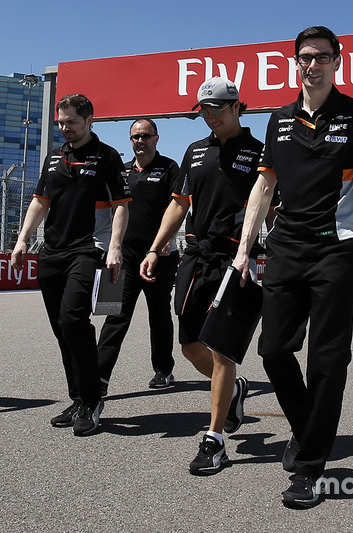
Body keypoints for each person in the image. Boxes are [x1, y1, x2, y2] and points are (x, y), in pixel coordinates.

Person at [232, 26, 353, 509]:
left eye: (321, 57)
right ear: (294, 63)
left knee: (327, 359)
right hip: (285, 249)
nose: (312, 65)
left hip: (336, 251)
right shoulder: (278, 120)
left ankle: (311, 467)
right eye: (304, 57)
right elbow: (262, 188)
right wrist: (244, 247)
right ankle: (307, 428)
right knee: (274, 351)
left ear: (337, 61)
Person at [140, 76, 264, 475]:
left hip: (235, 257)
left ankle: (214, 441)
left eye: (216, 108)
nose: (209, 116)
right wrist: (156, 247)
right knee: (191, 346)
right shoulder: (195, 152)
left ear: (236, 106)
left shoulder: (259, 152)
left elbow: (273, 205)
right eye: (203, 110)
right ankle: (234, 391)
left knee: (221, 349)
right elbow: (178, 206)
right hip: (194, 258)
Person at [11, 94, 130, 437]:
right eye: (61, 123)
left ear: (90, 120)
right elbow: (39, 201)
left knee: (72, 319)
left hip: (87, 249)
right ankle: (77, 398)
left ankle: (92, 400)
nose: (65, 128)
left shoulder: (107, 157)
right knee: (61, 329)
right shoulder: (53, 157)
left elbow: (121, 205)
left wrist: (115, 248)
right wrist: (22, 239)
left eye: (72, 123)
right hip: (52, 251)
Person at [96, 119, 180, 395]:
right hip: (123, 257)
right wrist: (111, 248)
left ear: (156, 138)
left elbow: (178, 208)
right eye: (135, 137)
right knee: (114, 315)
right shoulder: (121, 172)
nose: (140, 141)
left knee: (159, 313)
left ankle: (163, 370)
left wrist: (165, 242)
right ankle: (98, 378)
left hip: (158, 256)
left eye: (145, 136)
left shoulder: (169, 168)